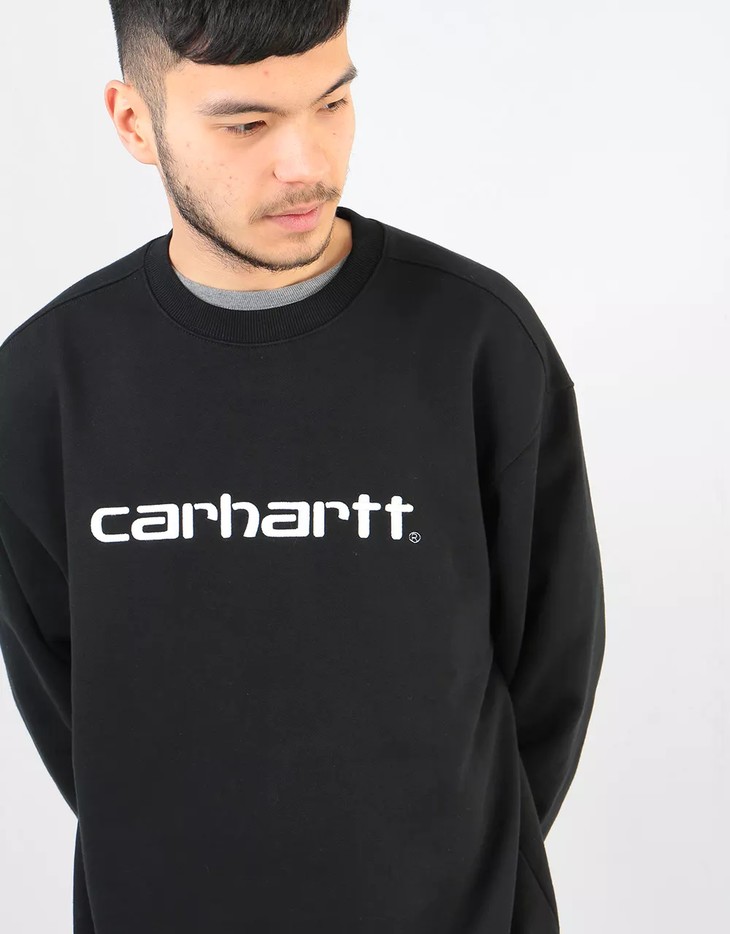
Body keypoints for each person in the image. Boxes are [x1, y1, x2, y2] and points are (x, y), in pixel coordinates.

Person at [0, 2, 605, 932]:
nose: (306, 165)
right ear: (134, 122)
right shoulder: (44, 386)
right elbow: (71, 713)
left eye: (331, 104)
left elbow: (552, 668)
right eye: (247, 124)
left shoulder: (476, 343)